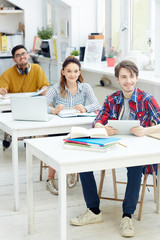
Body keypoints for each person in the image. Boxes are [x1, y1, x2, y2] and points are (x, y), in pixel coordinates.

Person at [70, 60, 160, 238]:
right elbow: (97, 121)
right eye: (124, 77)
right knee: (82, 164)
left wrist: (146, 130)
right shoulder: (112, 99)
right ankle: (94, 211)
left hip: (135, 149)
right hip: (112, 146)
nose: (128, 81)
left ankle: (127, 216)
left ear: (137, 78)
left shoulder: (147, 99)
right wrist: (101, 128)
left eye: (132, 77)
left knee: (135, 168)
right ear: (117, 79)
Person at [45, 56, 100, 195]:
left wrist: (85, 108)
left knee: (79, 141)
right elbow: (41, 104)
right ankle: (50, 179)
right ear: (63, 72)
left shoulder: (85, 87)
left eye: (76, 71)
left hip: (77, 126)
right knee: (55, 144)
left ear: (80, 72)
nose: (72, 74)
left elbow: (96, 104)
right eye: (69, 71)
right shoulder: (56, 88)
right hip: (59, 126)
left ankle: (71, 171)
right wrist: (53, 110)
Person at [0, 44, 50, 148]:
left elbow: (44, 86)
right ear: (14, 60)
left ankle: (27, 137)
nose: (21, 57)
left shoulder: (37, 69)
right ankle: (11, 134)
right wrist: (2, 90)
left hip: (30, 104)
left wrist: (44, 89)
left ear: (28, 55)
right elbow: (2, 88)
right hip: (14, 106)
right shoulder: (8, 73)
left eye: (23, 54)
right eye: (18, 55)